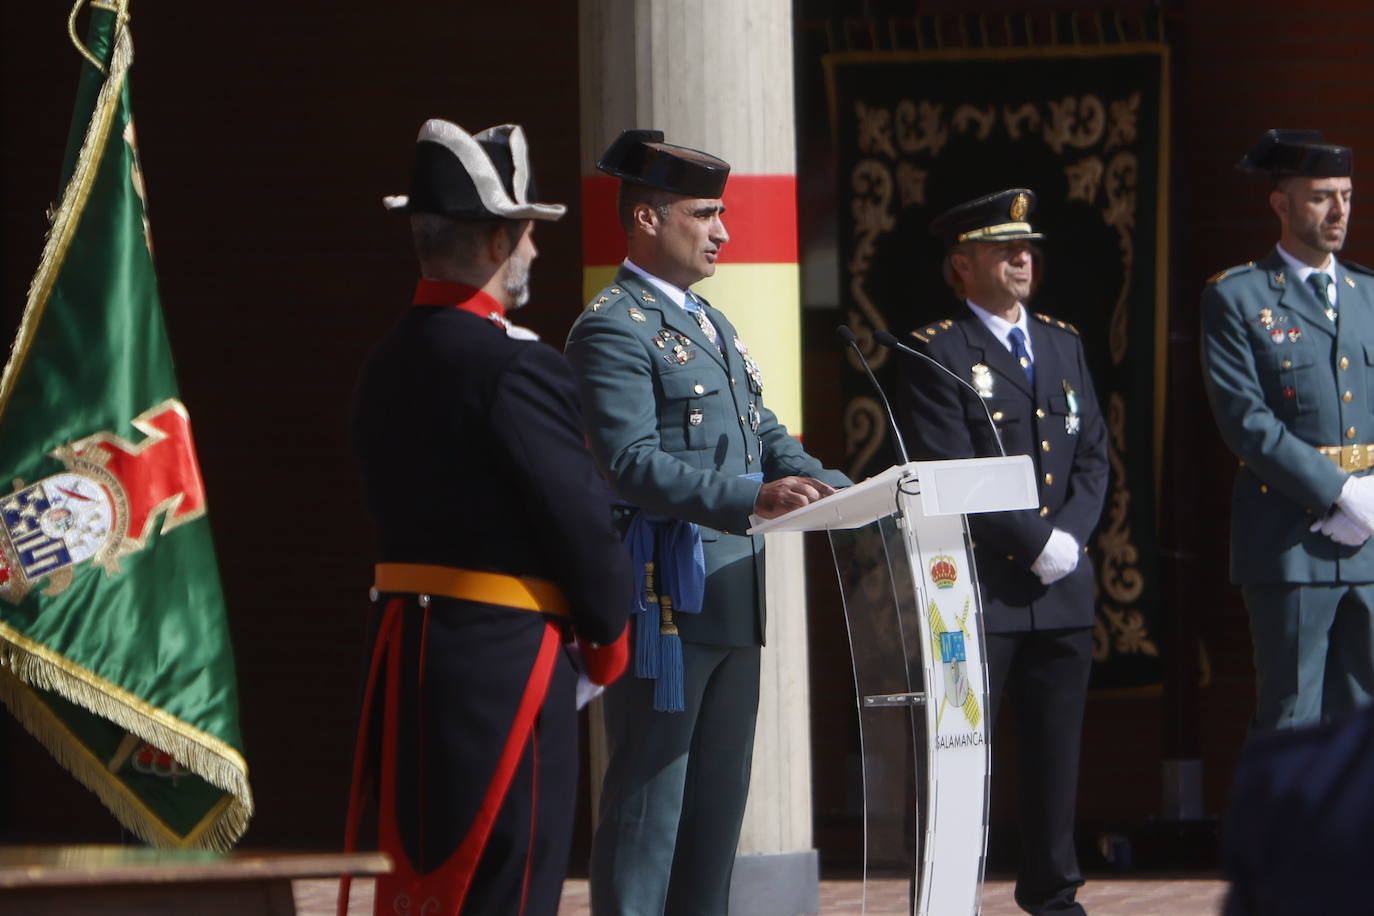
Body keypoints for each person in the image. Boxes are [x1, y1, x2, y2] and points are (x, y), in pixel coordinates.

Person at [344, 119, 632, 916]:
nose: (536, 253)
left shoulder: (385, 360)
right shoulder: (516, 365)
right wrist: (609, 638)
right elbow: (578, 519)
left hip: (408, 660)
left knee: (423, 892)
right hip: (505, 664)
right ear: (500, 237)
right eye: (530, 235)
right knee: (509, 890)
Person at [564, 129, 850, 916]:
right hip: (666, 595)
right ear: (649, 218)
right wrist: (750, 497)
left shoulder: (712, 324)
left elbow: (766, 436)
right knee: (651, 806)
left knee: (716, 816)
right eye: (705, 214)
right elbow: (627, 462)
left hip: (732, 593)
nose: (723, 232)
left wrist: (857, 491)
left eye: (722, 214)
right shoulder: (613, 327)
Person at [892, 188, 1109, 916]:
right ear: (962, 264)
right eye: (1001, 248)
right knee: (961, 761)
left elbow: (1094, 456)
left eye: (1026, 246)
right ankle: (951, 894)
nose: (1022, 257)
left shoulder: (1062, 341)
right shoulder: (937, 352)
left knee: (1056, 757)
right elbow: (950, 466)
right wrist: (1034, 539)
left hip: (1061, 586)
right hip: (981, 588)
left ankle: (1054, 896)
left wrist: (1069, 539)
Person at [1200, 129, 1374, 732]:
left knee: (1363, 724)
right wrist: (1339, 490)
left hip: (1370, 538)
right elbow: (1245, 420)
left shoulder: (1368, 294)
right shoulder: (1239, 297)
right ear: (1282, 204)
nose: (1339, 211)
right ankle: (1286, 833)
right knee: (1291, 719)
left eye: (1347, 196)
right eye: (1323, 196)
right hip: (1290, 540)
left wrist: (1369, 497)